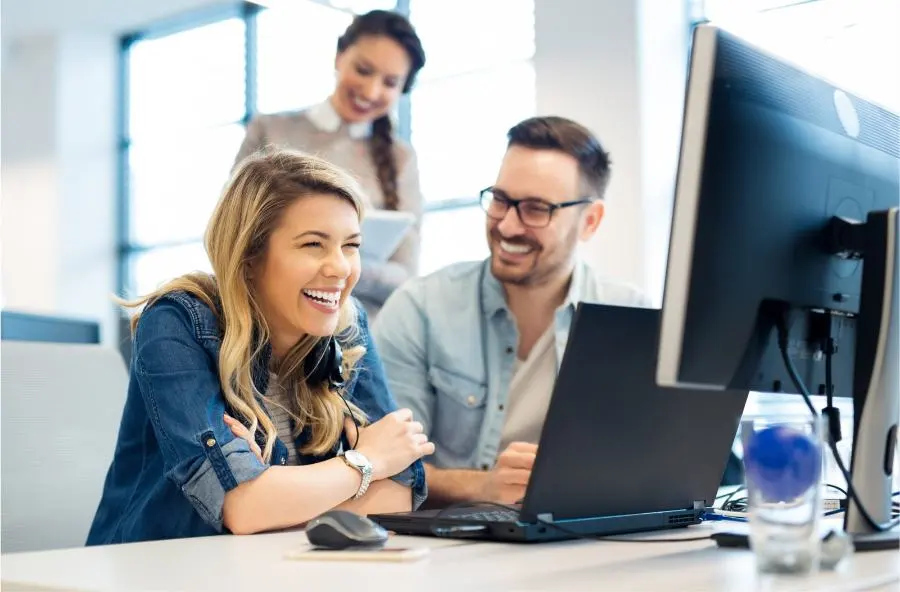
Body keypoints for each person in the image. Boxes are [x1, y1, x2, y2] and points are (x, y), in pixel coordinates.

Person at [86, 148, 432, 545]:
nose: (340, 267)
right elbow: (244, 508)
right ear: (249, 255)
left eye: (350, 245)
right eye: (313, 245)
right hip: (149, 571)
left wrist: (276, 493)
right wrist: (365, 461)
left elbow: (399, 493)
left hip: (272, 572)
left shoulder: (346, 326)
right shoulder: (176, 321)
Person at [371, 116, 649, 507]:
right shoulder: (418, 309)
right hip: (452, 552)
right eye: (500, 200)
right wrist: (483, 487)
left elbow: (656, 467)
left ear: (589, 221)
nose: (508, 225)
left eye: (536, 209)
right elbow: (385, 466)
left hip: (589, 542)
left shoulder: (634, 318)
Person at [233, 10, 426, 316]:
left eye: (390, 82)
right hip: (270, 321)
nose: (372, 91)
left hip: (360, 333)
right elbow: (234, 234)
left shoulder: (401, 160)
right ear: (339, 56)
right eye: (363, 70)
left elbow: (405, 275)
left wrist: (328, 264)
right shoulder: (270, 131)